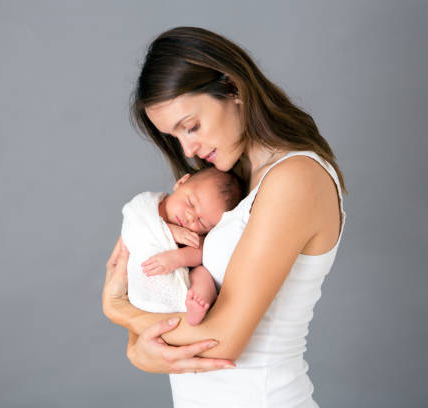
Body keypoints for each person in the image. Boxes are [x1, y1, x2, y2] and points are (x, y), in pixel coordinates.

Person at [103, 26, 347, 407]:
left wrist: (121, 314)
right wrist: (141, 345)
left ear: (232, 87)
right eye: (175, 137)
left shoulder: (295, 178)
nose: (188, 148)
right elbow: (180, 310)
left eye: (191, 126)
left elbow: (222, 340)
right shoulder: (230, 188)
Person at [122, 167, 242, 326]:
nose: (190, 217)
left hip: (180, 287)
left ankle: (197, 306)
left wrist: (177, 258)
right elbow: (133, 222)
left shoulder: (193, 235)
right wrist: (169, 231)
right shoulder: (148, 205)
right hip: (145, 281)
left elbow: (200, 252)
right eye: (190, 203)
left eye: (201, 222)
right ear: (181, 182)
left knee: (202, 274)